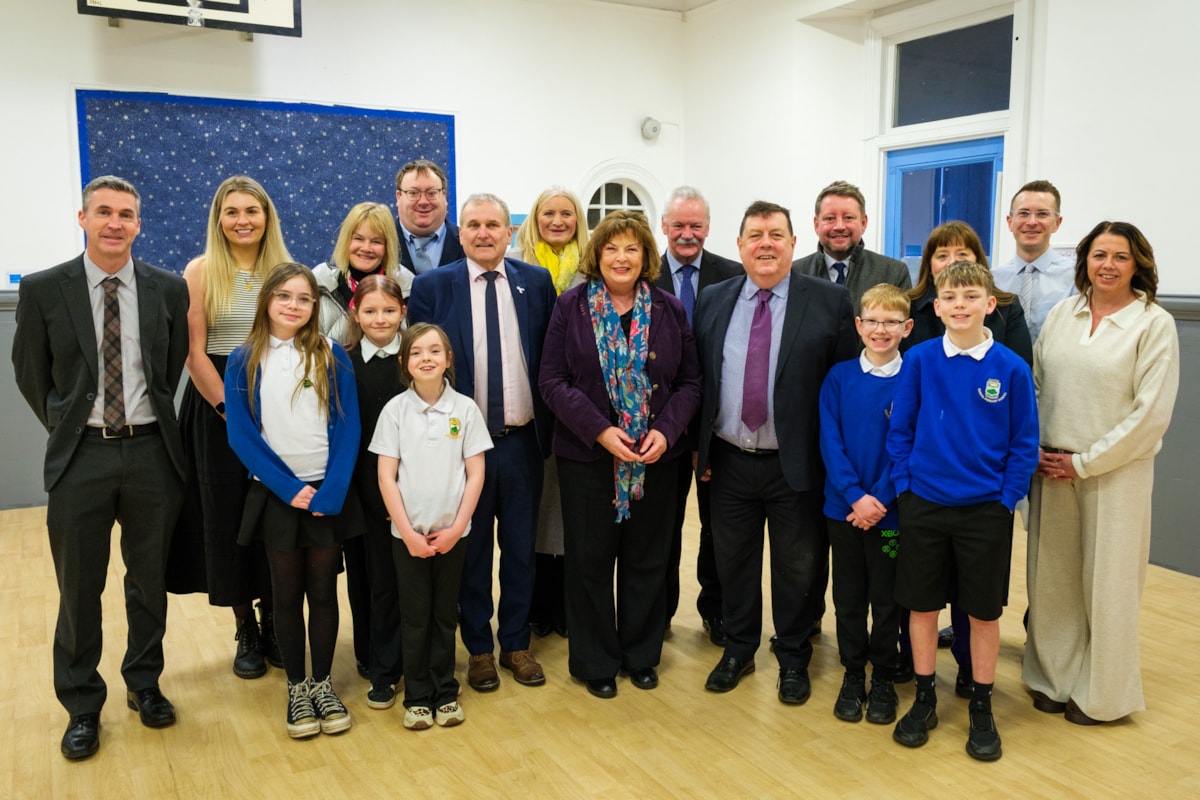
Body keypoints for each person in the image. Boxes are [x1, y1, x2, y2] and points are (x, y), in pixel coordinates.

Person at [12, 175, 189, 759]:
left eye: (127, 214)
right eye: (104, 212)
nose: (116, 223)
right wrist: (67, 425)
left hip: (149, 454)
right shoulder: (43, 289)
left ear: (140, 223)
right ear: (82, 218)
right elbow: (32, 373)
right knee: (79, 587)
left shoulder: (166, 289)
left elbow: (170, 366)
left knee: (147, 583)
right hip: (81, 455)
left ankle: (145, 685)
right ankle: (82, 704)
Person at [693, 201, 858, 705]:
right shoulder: (714, 298)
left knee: (797, 568)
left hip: (798, 464)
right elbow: (700, 378)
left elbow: (843, 389)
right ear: (739, 244)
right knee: (733, 564)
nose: (766, 243)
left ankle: (791, 657)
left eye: (776, 235)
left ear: (793, 243)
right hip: (728, 459)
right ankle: (739, 649)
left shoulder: (829, 301)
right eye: (755, 235)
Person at [539, 210, 702, 698]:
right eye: (611, 248)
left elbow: (691, 383)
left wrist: (666, 433)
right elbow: (552, 381)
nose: (621, 257)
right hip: (588, 457)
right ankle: (596, 662)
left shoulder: (670, 310)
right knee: (589, 561)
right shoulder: (570, 307)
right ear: (597, 254)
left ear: (646, 255)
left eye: (631, 248)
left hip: (655, 459)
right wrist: (601, 431)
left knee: (647, 558)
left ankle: (640, 654)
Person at [1023, 221, 1179, 725]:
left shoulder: (1153, 323)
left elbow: (1150, 413)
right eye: (1098, 255)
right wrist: (1038, 451)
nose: (1107, 265)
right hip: (1051, 466)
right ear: (1083, 261)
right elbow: (1038, 386)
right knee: (1053, 583)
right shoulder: (1062, 315)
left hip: (1114, 475)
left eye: (1120, 256)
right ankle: (1054, 678)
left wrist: (1086, 462)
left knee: (1107, 585)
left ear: (1139, 265)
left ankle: (1103, 695)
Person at [887, 260, 1039, 762]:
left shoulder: (1012, 369)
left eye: (971, 296)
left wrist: (1004, 501)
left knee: (981, 613)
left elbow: (1023, 444)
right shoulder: (920, 359)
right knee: (924, 606)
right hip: (925, 505)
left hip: (985, 513)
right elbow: (901, 430)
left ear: (989, 305)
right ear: (936, 306)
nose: (960, 305)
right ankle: (926, 698)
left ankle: (981, 705)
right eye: (950, 298)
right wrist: (906, 487)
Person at [407, 193, 557, 692]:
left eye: (494, 224)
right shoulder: (432, 286)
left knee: (519, 549)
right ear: (461, 230)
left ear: (509, 232)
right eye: (473, 224)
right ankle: (477, 649)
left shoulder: (535, 283)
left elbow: (548, 360)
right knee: (470, 555)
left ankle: (515, 642)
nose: (484, 233)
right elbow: (420, 364)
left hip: (521, 442)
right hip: (462, 448)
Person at [224, 262, 362, 740]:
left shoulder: (332, 354)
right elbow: (241, 434)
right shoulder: (244, 358)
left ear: (314, 306)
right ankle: (297, 686)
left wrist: (334, 488)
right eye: (284, 296)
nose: (294, 306)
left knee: (324, 590)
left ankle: (323, 683)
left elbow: (349, 426)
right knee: (285, 594)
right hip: (278, 495)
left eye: (304, 299)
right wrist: (287, 488)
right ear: (267, 300)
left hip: (324, 493)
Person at [172, 175, 292, 679]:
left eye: (252, 211)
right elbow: (193, 352)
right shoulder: (200, 271)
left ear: (268, 217)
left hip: (280, 403)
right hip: (217, 404)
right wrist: (230, 411)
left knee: (274, 515)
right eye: (232, 211)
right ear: (218, 220)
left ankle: (275, 622)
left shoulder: (286, 271)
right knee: (227, 516)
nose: (243, 220)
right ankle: (244, 624)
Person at [372, 322, 491, 729]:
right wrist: (407, 533)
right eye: (417, 352)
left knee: (444, 614)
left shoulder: (465, 410)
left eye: (435, 351)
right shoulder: (395, 412)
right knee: (415, 615)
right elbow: (386, 476)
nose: (427, 358)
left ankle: (445, 690)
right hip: (407, 538)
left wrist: (458, 527)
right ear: (405, 363)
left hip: (452, 536)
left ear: (448, 360)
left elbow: (475, 473)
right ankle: (418, 695)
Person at [819, 283, 912, 726]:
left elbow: (909, 447)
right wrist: (855, 496)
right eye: (872, 320)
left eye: (891, 322)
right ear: (858, 325)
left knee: (888, 596)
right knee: (850, 596)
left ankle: (885, 677)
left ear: (907, 328)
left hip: (891, 519)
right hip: (844, 512)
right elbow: (830, 442)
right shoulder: (838, 378)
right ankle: (853, 673)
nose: (880, 329)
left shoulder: (915, 377)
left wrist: (880, 499)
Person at [656, 186, 742, 645]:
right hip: (658, 428)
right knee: (662, 527)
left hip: (715, 425)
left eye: (696, 225)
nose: (687, 234)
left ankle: (716, 610)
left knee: (718, 528)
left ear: (708, 227)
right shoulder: (645, 274)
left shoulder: (733, 275)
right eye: (678, 225)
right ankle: (659, 609)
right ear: (664, 226)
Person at [509, 186, 590, 640]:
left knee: (570, 510)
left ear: (578, 218)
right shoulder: (519, 266)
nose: (557, 221)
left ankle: (566, 605)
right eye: (548, 213)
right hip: (532, 401)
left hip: (579, 407)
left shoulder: (591, 267)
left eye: (566, 213)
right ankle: (537, 604)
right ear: (534, 219)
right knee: (537, 511)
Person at [344, 275, 408, 711]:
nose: (380, 318)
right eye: (370, 311)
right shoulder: (343, 362)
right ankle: (370, 655)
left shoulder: (417, 359)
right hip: (360, 490)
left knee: (398, 579)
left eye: (389, 310)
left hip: (410, 492)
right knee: (365, 576)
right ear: (355, 314)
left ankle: (398, 659)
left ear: (403, 312)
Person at [792, 180, 912, 308]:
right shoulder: (794, 274)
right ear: (816, 225)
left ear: (863, 223)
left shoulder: (893, 273)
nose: (839, 226)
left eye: (848, 217)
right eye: (830, 218)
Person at [314, 201, 414, 345]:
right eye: (358, 239)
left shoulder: (407, 287)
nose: (366, 248)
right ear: (346, 240)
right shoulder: (319, 284)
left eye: (376, 241)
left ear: (387, 246)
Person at [991, 180, 1076, 343]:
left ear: (1057, 223)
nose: (1031, 222)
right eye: (1023, 213)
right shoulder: (992, 280)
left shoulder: (1076, 279)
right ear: (1010, 222)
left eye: (1042, 214)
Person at [395, 159, 465, 274]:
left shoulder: (468, 243)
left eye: (431, 193)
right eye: (413, 193)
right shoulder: (379, 244)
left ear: (444, 195)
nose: (423, 201)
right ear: (398, 197)